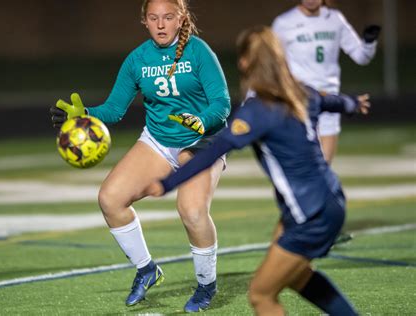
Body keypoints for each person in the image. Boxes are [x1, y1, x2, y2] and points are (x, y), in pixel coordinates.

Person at [145, 26, 370, 315]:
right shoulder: (301, 93)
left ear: (244, 63)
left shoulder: (257, 110)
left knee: (261, 295)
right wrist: (353, 104)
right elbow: (331, 101)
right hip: (331, 198)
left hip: (309, 213)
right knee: (299, 276)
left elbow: (213, 151)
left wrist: (166, 183)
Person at [50, 0, 230, 312]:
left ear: (181, 18)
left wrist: (201, 121)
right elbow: (115, 109)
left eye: (168, 17)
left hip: (203, 141)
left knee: (192, 210)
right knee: (110, 198)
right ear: (144, 21)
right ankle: (147, 269)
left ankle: (206, 285)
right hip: (159, 141)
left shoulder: (199, 51)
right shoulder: (137, 59)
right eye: (153, 18)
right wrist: (86, 114)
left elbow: (222, 103)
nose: (161, 24)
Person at [272, 0, 380, 164]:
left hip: (330, 100)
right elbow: (271, 63)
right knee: (299, 165)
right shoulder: (284, 23)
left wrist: (368, 43)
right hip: (300, 100)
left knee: (324, 166)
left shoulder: (335, 19)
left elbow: (361, 57)